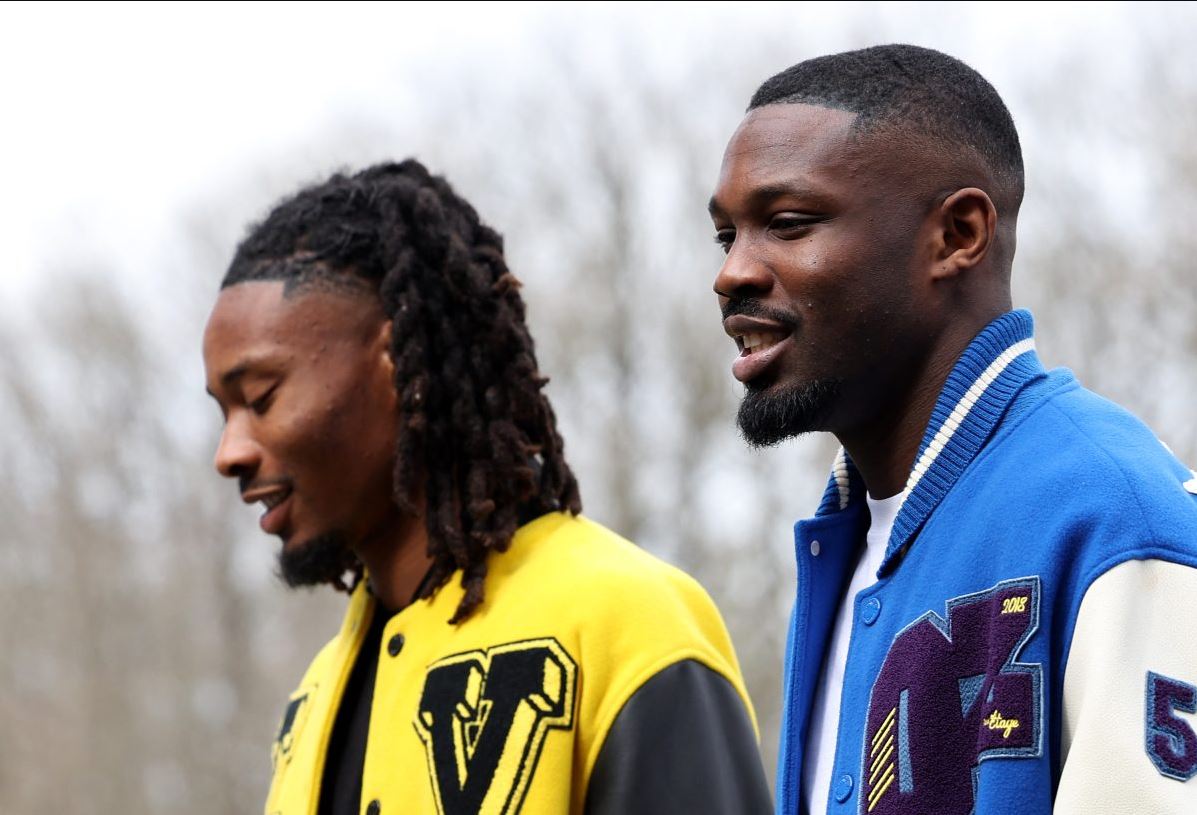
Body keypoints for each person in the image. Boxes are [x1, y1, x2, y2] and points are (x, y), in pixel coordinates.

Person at [708, 44, 1197, 815]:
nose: (731, 272)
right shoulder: (844, 540)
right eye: (726, 236)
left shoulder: (1118, 517)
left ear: (958, 234)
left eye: (787, 223)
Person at [202, 160, 771, 815]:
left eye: (260, 397)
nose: (229, 453)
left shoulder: (626, 619)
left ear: (395, 359)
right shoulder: (313, 700)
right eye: (223, 411)